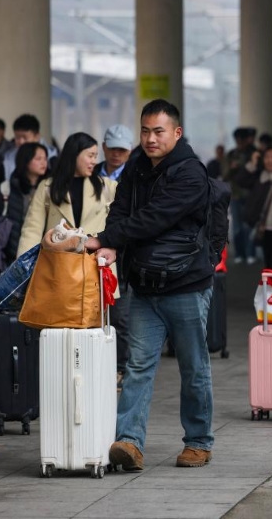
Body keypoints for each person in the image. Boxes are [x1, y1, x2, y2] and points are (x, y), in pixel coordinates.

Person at [84, 99, 215, 471]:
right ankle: (129, 442)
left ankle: (198, 442)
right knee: (138, 365)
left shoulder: (191, 174)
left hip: (187, 284)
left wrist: (106, 237)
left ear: (176, 132)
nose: (150, 138)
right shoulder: (137, 167)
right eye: (145, 131)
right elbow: (122, 210)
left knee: (194, 367)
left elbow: (154, 219)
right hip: (144, 286)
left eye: (159, 131)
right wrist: (111, 239)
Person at [17, 132, 116, 257]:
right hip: (58, 266)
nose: (94, 161)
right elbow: (32, 230)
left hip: (96, 265)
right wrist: (24, 268)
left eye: (96, 156)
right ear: (74, 154)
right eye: (90, 156)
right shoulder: (48, 187)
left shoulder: (106, 187)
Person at [97, 124, 134, 390]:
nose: (116, 154)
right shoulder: (90, 174)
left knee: (121, 314)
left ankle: (121, 367)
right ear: (104, 147)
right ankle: (97, 363)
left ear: (129, 152)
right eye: (112, 148)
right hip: (96, 249)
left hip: (122, 253)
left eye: (122, 149)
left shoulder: (133, 178)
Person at [0, 142, 49, 265]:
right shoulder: (7, 188)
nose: (44, 162)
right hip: (11, 256)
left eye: (45, 158)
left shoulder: (50, 188)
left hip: (45, 254)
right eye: (38, 158)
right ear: (25, 161)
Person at [236, 146, 272, 269]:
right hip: (263, 227)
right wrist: (252, 162)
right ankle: (270, 284)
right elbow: (240, 180)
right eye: (267, 157)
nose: (270, 160)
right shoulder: (259, 177)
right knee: (268, 260)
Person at [224, 127, 258, 264]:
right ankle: (240, 253)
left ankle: (250, 253)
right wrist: (231, 169)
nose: (240, 143)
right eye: (237, 141)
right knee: (237, 227)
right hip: (236, 195)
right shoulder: (231, 154)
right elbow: (225, 174)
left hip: (250, 195)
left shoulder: (254, 154)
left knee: (249, 225)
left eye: (241, 140)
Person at [1, 114, 59, 184]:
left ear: (37, 136)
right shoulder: (9, 157)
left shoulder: (52, 158)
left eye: (25, 137)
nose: (21, 141)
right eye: (17, 137)